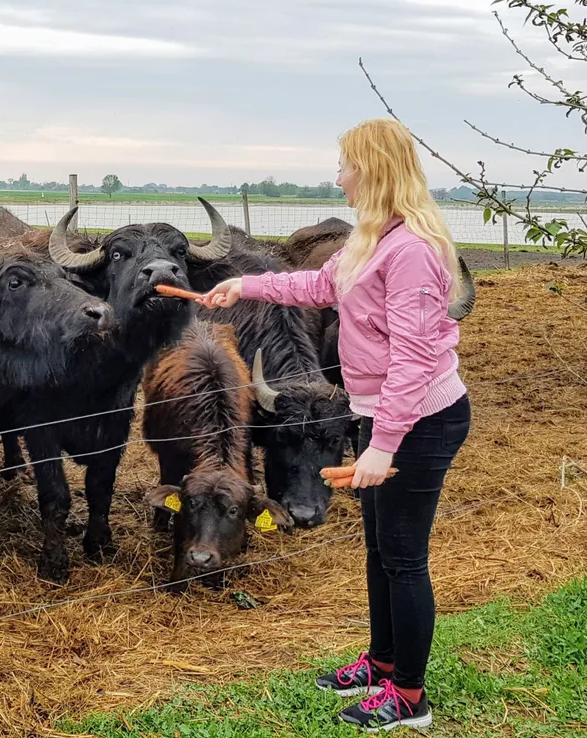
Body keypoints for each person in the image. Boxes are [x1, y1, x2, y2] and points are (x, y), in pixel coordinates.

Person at [199, 118, 471, 731]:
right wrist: (244, 285)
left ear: (373, 171)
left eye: (346, 165)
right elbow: (318, 284)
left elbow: (413, 360)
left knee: (403, 557)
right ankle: (381, 662)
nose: (339, 176)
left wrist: (382, 445)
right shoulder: (374, 238)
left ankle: (409, 698)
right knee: (379, 550)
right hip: (387, 417)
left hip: (421, 422)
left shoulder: (411, 252)